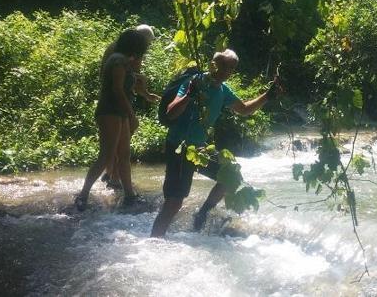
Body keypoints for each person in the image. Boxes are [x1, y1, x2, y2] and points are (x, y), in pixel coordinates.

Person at [150, 49, 280, 237]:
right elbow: (171, 113)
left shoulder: (223, 90)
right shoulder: (195, 82)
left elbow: (244, 109)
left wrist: (268, 96)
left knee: (231, 177)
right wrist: (189, 95)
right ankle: (154, 241)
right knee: (174, 202)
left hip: (199, 149)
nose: (227, 71)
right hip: (180, 146)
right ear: (213, 64)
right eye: (224, 66)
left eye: (232, 68)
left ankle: (202, 214)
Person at [74, 29, 149, 211]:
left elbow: (130, 83)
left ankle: (130, 196)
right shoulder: (118, 61)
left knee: (124, 154)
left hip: (119, 112)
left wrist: (143, 91)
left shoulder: (124, 61)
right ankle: (82, 195)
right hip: (109, 112)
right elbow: (117, 90)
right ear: (134, 46)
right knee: (106, 156)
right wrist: (131, 115)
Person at [101, 25, 161, 189]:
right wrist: (132, 114)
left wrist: (146, 94)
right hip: (114, 105)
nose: (147, 49)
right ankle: (113, 177)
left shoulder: (122, 50)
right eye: (147, 44)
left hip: (114, 103)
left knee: (117, 145)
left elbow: (130, 80)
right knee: (119, 145)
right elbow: (121, 83)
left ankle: (112, 174)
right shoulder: (121, 55)